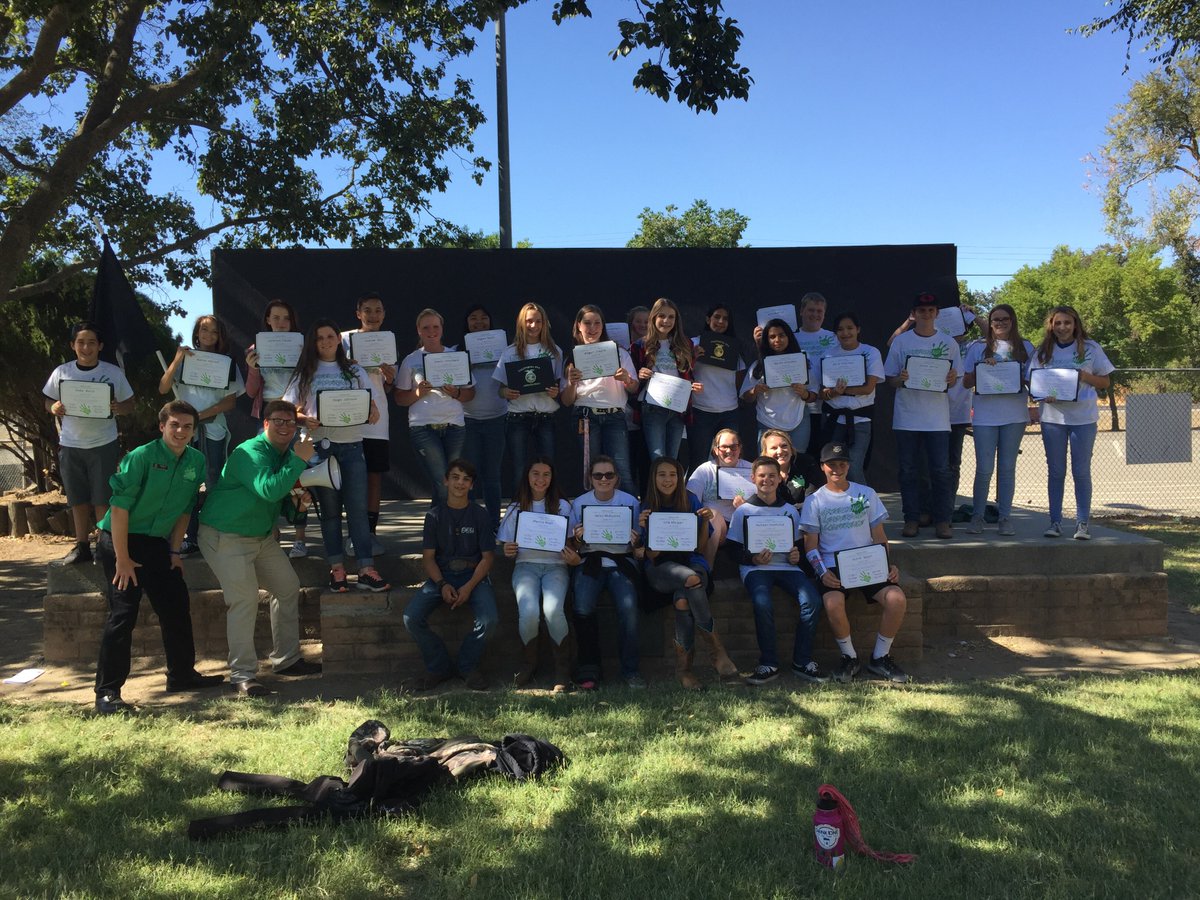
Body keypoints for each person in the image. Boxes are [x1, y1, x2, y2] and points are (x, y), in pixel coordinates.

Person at [92, 400, 223, 713]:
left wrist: (175, 550)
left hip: (157, 545)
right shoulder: (141, 457)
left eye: (187, 426)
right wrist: (122, 559)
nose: (180, 431)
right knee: (123, 615)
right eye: (174, 425)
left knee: (176, 606)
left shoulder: (196, 460)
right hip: (120, 541)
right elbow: (120, 508)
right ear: (163, 426)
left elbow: (185, 509)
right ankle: (107, 693)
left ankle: (181, 676)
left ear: (194, 431)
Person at [198, 400, 323, 697]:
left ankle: (287, 660)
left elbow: (282, 503)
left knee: (288, 586)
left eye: (290, 423)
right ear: (265, 424)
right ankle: (241, 676)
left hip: (260, 537)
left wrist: (298, 506)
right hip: (224, 536)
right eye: (278, 421)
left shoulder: (283, 455)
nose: (284, 427)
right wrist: (300, 460)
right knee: (243, 600)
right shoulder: (248, 452)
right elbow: (268, 488)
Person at [284, 318, 390, 593]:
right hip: (320, 450)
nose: (326, 341)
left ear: (338, 339)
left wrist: (370, 412)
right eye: (320, 338)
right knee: (330, 514)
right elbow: (288, 412)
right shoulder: (304, 372)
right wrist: (305, 419)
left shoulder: (354, 371)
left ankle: (366, 569)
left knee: (357, 511)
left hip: (353, 446)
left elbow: (373, 409)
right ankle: (337, 570)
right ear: (313, 343)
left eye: (330, 336)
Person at [801, 442, 910, 684]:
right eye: (831, 465)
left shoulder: (866, 493)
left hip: (868, 562)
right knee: (832, 602)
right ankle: (849, 657)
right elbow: (810, 546)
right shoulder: (814, 501)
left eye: (842, 464)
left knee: (897, 599)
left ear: (849, 465)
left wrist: (887, 565)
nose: (836, 469)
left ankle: (880, 657)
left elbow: (879, 536)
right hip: (833, 565)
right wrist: (821, 572)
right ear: (822, 467)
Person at [636, 456, 736, 690]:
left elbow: (700, 548)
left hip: (692, 560)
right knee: (692, 579)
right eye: (662, 474)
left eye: (672, 474)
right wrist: (645, 530)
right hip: (662, 567)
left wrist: (704, 523)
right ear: (654, 478)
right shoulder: (647, 507)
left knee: (682, 601)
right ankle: (717, 651)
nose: (668, 479)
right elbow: (649, 555)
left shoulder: (691, 500)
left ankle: (684, 670)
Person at [726, 456, 826, 685]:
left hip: (787, 568)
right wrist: (751, 558)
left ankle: (802, 661)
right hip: (755, 570)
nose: (767, 480)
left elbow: (799, 548)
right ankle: (768, 663)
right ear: (753, 478)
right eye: (762, 475)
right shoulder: (743, 511)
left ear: (780, 478)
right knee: (762, 603)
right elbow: (732, 550)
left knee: (812, 600)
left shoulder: (790, 510)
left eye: (772, 475)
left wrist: (796, 556)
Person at [43, 321, 135, 564]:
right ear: (73, 346)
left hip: (103, 442)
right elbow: (48, 401)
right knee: (77, 499)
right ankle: (81, 546)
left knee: (102, 498)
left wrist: (119, 407)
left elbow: (130, 404)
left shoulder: (113, 373)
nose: (86, 347)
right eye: (81, 342)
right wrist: (53, 407)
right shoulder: (62, 372)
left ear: (100, 346)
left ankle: (104, 547)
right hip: (71, 444)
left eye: (91, 342)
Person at [402, 458, 498, 691]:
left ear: (472, 485)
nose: (460, 483)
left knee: (489, 620)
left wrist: (468, 587)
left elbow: (488, 558)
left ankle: (467, 666)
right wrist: (442, 584)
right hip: (442, 575)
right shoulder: (434, 516)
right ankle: (438, 666)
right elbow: (428, 558)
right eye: (455, 477)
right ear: (445, 481)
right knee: (411, 618)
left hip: (474, 576)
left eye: (466, 479)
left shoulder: (480, 515)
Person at [158, 314, 245, 556]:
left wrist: (202, 414)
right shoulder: (186, 359)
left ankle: (216, 534)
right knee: (186, 483)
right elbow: (164, 387)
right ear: (197, 332)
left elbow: (230, 402)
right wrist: (176, 360)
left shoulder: (226, 363)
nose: (208, 335)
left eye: (214, 331)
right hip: (184, 433)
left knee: (214, 480)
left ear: (220, 336)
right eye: (204, 330)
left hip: (212, 430)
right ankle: (189, 536)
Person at [1028, 305, 1114, 540]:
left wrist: (1085, 376)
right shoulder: (1043, 351)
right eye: (1058, 323)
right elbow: (1033, 382)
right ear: (1051, 325)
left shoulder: (1091, 348)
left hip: (1083, 418)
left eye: (1067, 323)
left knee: (1081, 471)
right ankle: (1055, 522)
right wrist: (1041, 393)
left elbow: (1105, 381)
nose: (1062, 327)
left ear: (1075, 324)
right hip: (1052, 418)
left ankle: (1082, 523)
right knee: (1056, 471)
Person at [497, 457, 580, 692]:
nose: (540, 479)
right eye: (536, 473)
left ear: (552, 478)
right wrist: (507, 549)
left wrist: (573, 553)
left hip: (556, 567)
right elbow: (506, 546)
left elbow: (574, 543)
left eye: (546, 474)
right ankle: (529, 663)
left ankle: (563, 669)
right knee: (529, 612)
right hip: (526, 566)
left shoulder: (564, 506)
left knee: (553, 610)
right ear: (527, 476)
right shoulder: (516, 507)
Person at [883, 292, 961, 539]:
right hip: (907, 418)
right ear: (913, 314)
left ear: (936, 313)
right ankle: (912, 518)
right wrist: (901, 379)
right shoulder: (901, 342)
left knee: (940, 471)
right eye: (921, 310)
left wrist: (950, 379)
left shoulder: (949, 343)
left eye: (930, 310)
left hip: (937, 419)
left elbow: (954, 378)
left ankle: (943, 520)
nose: (926, 314)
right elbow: (890, 380)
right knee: (908, 471)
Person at [568, 455, 644, 689]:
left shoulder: (630, 501)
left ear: (617, 478)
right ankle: (589, 669)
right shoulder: (579, 503)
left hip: (621, 561)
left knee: (629, 609)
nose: (603, 479)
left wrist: (635, 540)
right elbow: (572, 545)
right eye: (598, 475)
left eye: (609, 475)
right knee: (581, 607)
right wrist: (577, 539)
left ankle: (630, 671)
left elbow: (639, 545)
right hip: (589, 561)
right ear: (590, 479)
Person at [244, 299, 310, 558]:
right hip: (269, 415)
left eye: (286, 318)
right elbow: (251, 392)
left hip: (295, 415)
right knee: (267, 476)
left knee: (297, 477)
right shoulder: (255, 348)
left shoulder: (303, 347)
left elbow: (309, 382)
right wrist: (252, 368)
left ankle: (300, 538)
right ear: (267, 321)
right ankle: (271, 534)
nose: (281, 323)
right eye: (276, 317)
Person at [962, 304, 1035, 536]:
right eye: (995, 319)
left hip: (1014, 416)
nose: (1000, 323)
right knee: (984, 469)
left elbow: (1034, 383)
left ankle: (1005, 517)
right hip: (985, 417)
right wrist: (981, 370)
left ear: (1012, 321)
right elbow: (965, 383)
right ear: (990, 322)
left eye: (1005, 319)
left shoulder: (1026, 347)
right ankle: (977, 517)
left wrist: (1020, 375)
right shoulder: (978, 347)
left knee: (1007, 469)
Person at [394, 308, 474, 507]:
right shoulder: (411, 360)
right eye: (426, 327)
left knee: (455, 480)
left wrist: (455, 393)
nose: (431, 331)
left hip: (454, 426)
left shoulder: (456, 356)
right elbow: (399, 398)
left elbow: (471, 393)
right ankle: (442, 529)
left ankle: (443, 528)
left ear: (442, 329)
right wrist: (417, 394)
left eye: (435, 327)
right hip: (423, 428)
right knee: (442, 482)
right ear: (418, 330)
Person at [561, 304, 638, 493]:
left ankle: (630, 518)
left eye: (597, 323)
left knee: (621, 471)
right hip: (586, 417)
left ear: (603, 326)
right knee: (591, 472)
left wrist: (626, 379)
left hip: (615, 417)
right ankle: (590, 519)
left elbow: (635, 387)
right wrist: (571, 383)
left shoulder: (619, 352)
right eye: (587, 323)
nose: (592, 328)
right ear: (578, 325)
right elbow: (566, 401)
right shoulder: (572, 356)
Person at [342, 292, 396, 556]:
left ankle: (370, 534)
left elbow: (387, 386)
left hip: (378, 419)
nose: (373, 315)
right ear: (358, 313)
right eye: (367, 310)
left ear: (384, 314)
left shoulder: (388, 342)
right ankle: (353, 533)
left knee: (374, 476)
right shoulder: (343, 339)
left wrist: (389, 378)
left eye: (378, 310)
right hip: (349, 417)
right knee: (351, 478)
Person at [495, 302, 563, 488]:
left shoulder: (555, 351)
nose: (533, 326)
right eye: (529, 321)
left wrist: (555, 392)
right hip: (518, 416)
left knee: (548, 466)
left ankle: (548, 510)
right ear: (521, 323)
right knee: (519, 468)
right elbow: (500, 389)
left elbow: (559, 386)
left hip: (546, 416)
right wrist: (506, 392)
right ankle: (520, 510)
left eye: (538, 321)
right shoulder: (510, 352)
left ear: (544, 323)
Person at [630, 297, 703, 463]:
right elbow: (631, 382)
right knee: (658, 460)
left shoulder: (685, 344)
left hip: (678, 407)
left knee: (672, 461)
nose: (666, 321)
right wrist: (640, 375)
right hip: (653, 406)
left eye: (671, 317)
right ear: (653, 318)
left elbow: (686, 375)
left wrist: (693, 386)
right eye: (662, 316)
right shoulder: (640, 345)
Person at [815, 312, 884, 484]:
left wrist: (840, 391)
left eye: (850, 328)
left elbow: (868, 388)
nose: (845, 333)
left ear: (858, 329)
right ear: (835, 333)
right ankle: (838, 506)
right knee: (833, 467)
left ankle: (864, 508)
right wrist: (834, 393)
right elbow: (822, 393)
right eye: (840, 329)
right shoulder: (827, 355)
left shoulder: (870, 352)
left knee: (853, 467)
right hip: (833, 419)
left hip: (860, 419)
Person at [459, 304, 508, 529]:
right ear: (466, 323)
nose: (479, 322)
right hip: (468, 420)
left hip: (497, 419)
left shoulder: (506, 350)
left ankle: (492, 523)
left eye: (483, 318)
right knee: (468, 475)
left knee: (492, 475)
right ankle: (468, 522)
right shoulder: (457, 351)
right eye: (473, 318)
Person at [741, 318, 818, 451]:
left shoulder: (803, 363)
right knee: (768, 466)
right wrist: (755, 390)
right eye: (772, 336)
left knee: (796, 464)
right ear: (767, 340)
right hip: (767, 423)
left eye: (781, 335)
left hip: (798, 421)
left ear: (789, 337)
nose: (777, 340)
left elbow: (815, 395)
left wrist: (805, 394)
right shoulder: (758, 366)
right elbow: (745, 396)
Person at [689, 304, 748, 472]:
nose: (721, 321)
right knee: (698, 461)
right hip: (701, 411)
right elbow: (682, 372)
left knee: (729, 461)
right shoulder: (694, 343)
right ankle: (693, 498)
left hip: (729, 412)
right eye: (716, 317)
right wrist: (692, 359)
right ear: (708, 319)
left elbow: (739, 378)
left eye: (725, 318)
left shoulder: (734, 348)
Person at [685, 428, 751, 570]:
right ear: (715, 450)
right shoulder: (705, 470)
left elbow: (764, 504)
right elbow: (690, 500)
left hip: (743, 526)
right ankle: (705, 570)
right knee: (713, 515)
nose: (729, 451)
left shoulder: (751, 469)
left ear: (740, 448)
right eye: (724, 447)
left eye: (734, 446)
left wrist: (746, 507)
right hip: (715, 527)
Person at [759, 429, 825, 508]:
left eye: (784, 446)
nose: (780, 451)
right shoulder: (761, 471)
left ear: (791, 448)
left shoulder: (807, 463)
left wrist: (792, 511)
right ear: (765, 453)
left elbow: (814, 498)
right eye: (774, 448)